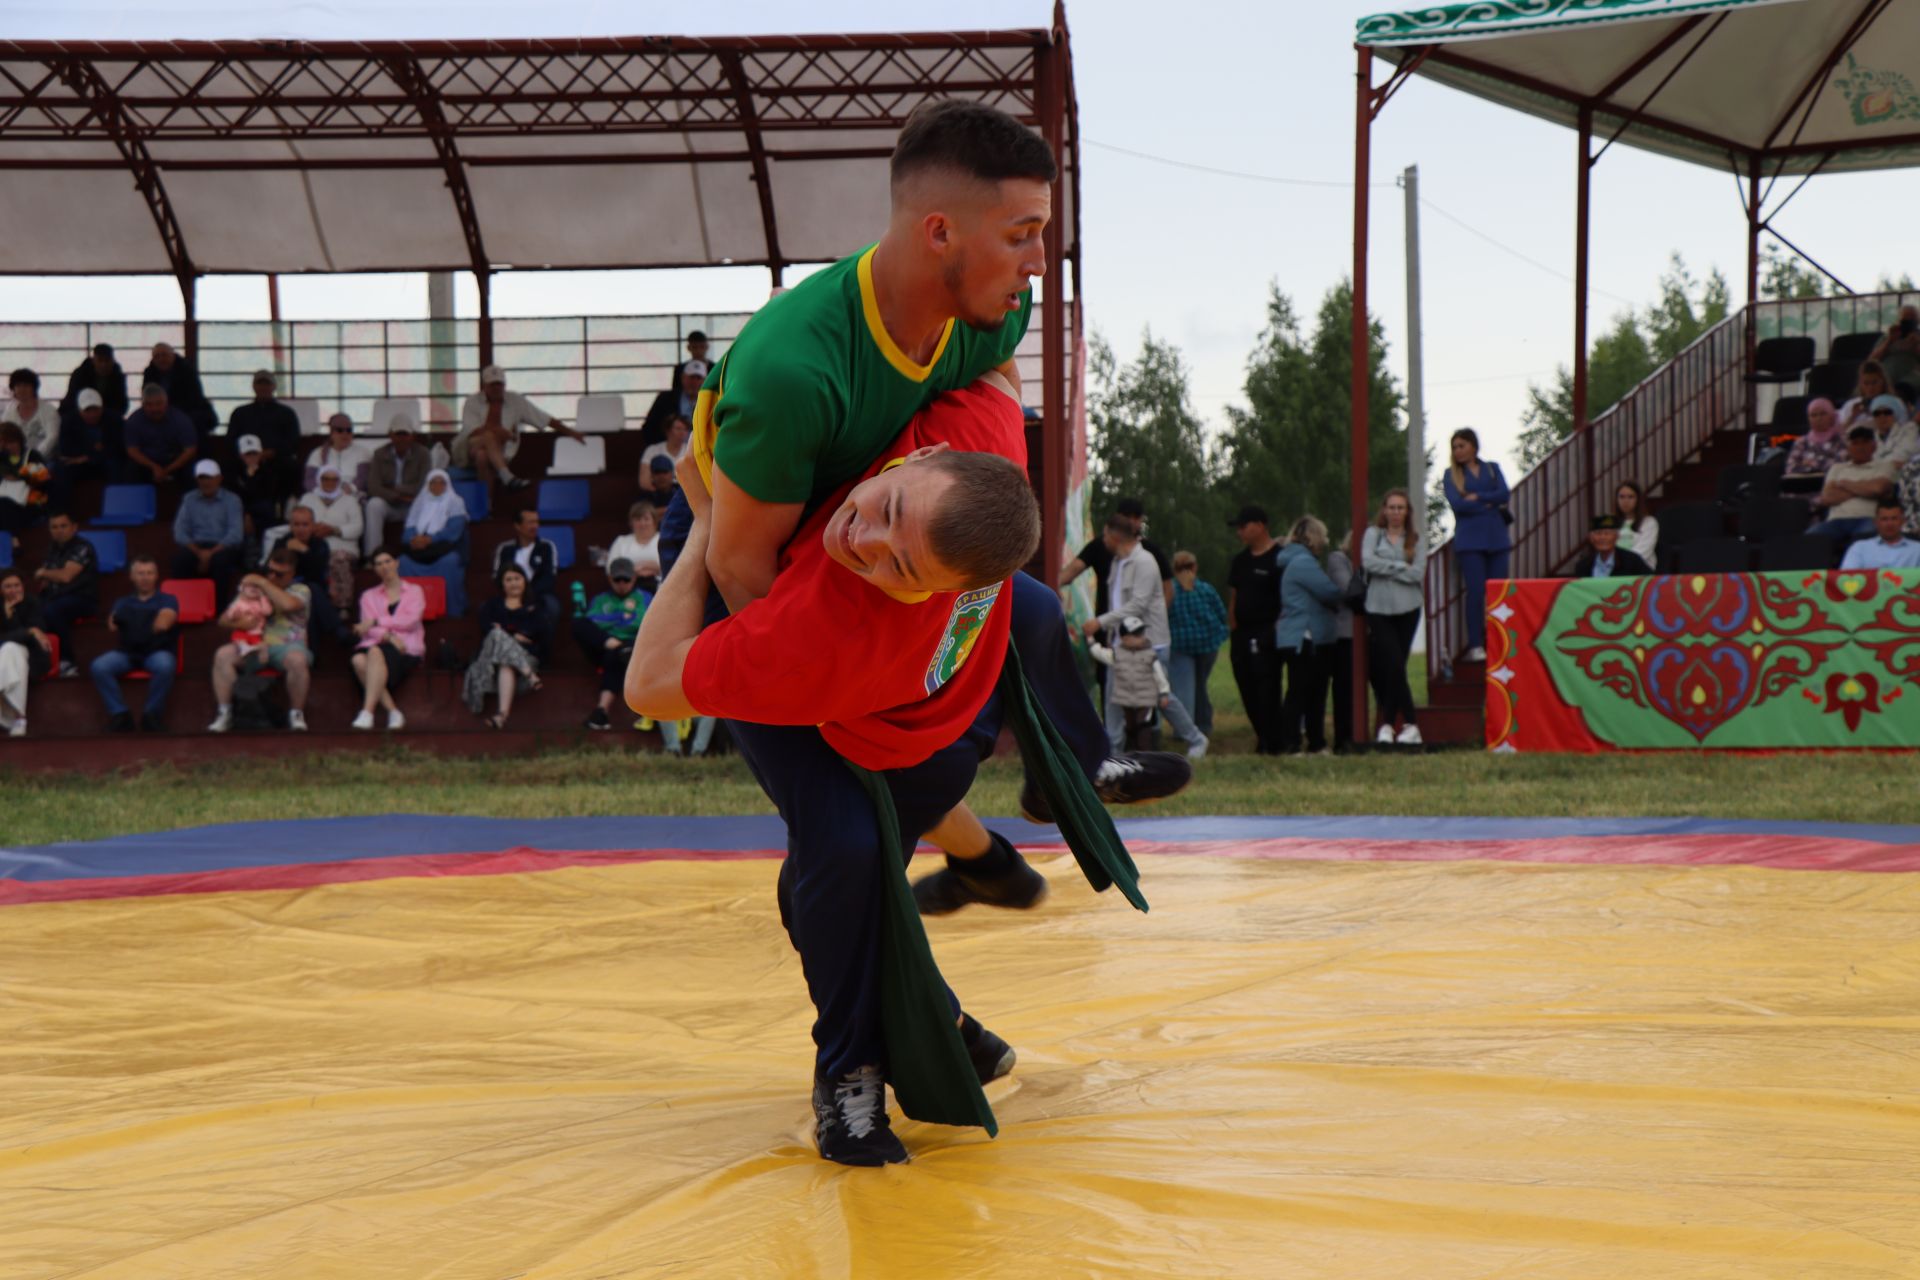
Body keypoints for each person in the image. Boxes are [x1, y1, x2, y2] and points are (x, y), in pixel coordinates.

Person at [626, 369, 1051, 1167]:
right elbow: (991, 339)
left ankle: (912, 1025)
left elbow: (649, 684)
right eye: (889, 513)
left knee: (852, 840)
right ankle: (868, 1056)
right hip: (751, 536)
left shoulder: (834, 633)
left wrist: (703, 521)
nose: (866, 543)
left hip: (840, 659)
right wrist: (705, 527)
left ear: (936, 594)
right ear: (925, 457)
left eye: (899, 566)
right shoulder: (985, 437)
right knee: (847, 840)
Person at [1082, 514, 1201, 756]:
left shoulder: (1145, 562)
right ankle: (1112, 751)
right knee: (1114, 696)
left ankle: (1195, 738)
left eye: (1105, 535)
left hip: (1150, 642)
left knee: (1159, 695)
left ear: (1115, 537)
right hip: (1121, 643)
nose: (1102, 540)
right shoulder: (1117, 563)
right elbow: (1118, 602)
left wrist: (1099, 623)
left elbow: (1138, 605)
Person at [208, 551, 312, 733]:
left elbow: (288, 605)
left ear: (292, 574)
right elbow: (223, 620)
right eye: (269, 571)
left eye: (279, 574)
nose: (272, 576)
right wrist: (241, 622)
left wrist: (262, 582)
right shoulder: (252, 591)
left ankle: (296, 713)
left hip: (287, 647)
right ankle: (226, 712)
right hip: (253, 644)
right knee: (222, 655)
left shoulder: (301, 590)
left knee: (297, 660)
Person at [453, 365, 585, 491]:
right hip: (469, 447)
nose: (496, 388)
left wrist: (571, 432)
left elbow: (543, 418)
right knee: (488, 436)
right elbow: (473, 430)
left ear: (505, 385)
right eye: (492, 385)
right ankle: (508, 477)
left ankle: (486, 507)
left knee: (483, 457)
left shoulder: (515, 400)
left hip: (499, 452)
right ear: (484, 386)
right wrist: (503, 433)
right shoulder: (472, 401)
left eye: (499, 384)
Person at [1088, 615, 1204, 756]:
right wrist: (1090, 641)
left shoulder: (1150, 654)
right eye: (1136, 635)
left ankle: (1146, 754)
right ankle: (1121, 752)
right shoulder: (1117, 654)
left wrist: (1164, 692)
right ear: (1124, 638)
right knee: (1128, 727)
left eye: (1141, 633)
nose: (1141, 637)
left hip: (1145, 699)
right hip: (1125, 698)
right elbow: (1100, 653)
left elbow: (1159, 676)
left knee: (1143, 727)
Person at [1362, 488, 1426, 745]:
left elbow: (1417, 573)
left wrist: (1386, 567)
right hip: (1378, 608)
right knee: (1393, 661)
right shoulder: (1373, 535)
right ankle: (1409, 722)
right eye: (1392, 507)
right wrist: (1400, 566)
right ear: (1384, 510)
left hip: (1409, 607)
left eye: (1401, 508)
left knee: (1397, 666)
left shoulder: (1416, 539)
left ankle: (1389, 725)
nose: (1396, 512)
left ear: (1407, 512)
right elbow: (1368, 562)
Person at [1443, 427, 1511, 662]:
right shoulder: (1450, 475)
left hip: (1497, 539)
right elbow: (1458, 505)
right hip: (1470, 541)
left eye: (1461, 445)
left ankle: (1499, 639)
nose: (1458, 451)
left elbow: (1504, 494)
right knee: (1476, 592)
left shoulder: (1492, 468)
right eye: (1454, 447)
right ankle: (1475, 644)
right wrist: (1488, 503)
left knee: (1499, 592)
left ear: (1473, 446)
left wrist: (1479, 497)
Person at [89, 555, 178, 732]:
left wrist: (132, 620)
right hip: (127, 653)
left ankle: (151, 715)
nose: (145, 578)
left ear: (157, 576)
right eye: (140, 573)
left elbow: (163, 623)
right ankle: (120, 714)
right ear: (132, 577)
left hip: (156, 651)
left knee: (166, 664)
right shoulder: (122, 602)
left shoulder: (168, 599)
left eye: (149, 573)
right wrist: (147, 621)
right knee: (99, 666)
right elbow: (112, 624)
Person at [1275, 516, 1340, 756]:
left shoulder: (1291, 560)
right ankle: (1302, 743)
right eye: (1322, 536)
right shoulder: (1303, 562)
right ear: (1313, 537)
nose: (1324, 542)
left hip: (1296, 636)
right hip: (1305, 636)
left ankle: (1305, 741)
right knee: (1307, 693)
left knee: (1302, 691)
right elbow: (1328, 591)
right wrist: (1348, 591)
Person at [1226, 504, 1285, 754]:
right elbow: (1234, 596)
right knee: (1247, 687)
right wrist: (1234, 627)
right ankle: (1262, 734)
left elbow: (1287, 598)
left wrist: (1275, 631)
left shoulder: (1279, 558)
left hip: (1268, 633)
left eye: (1244, 526)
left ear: (1260, 526)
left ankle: (1273, 739)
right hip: (1242, 634)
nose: (1240, 532)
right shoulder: (1240, 561)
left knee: (1267, 688)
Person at [349, 550, 426, 731]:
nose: (384, 567)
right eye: (378, 564)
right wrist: (389, 636)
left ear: (396, 563)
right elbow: (368, 630)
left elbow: (410, 620)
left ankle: (367, 711)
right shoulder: (369, 596)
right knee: (358, 660)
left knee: (375, 652)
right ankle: (393, 711)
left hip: (407, 647)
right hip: (383, 643)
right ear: (375, 569)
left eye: (387, 561)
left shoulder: (414, 591)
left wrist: (377, 621)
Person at [466, 562, 549, 729]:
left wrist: (504, 630)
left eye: (517, 578)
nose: (513, 583)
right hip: (492, 663)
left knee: (506, 663)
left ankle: (501, 716)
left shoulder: (536, 606)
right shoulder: (491, 606)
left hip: (525, 658)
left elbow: (538, 631)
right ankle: (530, 676)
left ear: (525, 581)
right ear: (502, 585)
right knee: (497, 635)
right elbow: (488, 629)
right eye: (508, 579)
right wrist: (513, 635)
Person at [1058, 497, 1173, 615]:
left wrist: (1155, 617)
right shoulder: (1099, 546)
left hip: (1139, 629)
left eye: (1136, 517)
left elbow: (1167, 588)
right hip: (1107, 627)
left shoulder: (1150, 553)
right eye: (1127, 516)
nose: (1132, 522)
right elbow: (1070, 572)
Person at [574, 557, 646, 730]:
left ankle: (601, 711)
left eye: (626, 579)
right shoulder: (601, 599)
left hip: (633, 646)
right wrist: (621, 620)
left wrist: (612, 620)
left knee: (617, 655)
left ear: (634, 578)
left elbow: (642, 622)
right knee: (580, 624)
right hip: (605, 644)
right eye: (617, 579)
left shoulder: (644, 597)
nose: (622, 584)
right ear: (610, 579)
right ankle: (616, 647)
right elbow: (592, 620)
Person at [264, 504, 350, 650]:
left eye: (305, 524)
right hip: (285, 589)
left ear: (313, 526)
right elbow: (269, 569)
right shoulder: (282, 542)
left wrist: (303, 550)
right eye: (296, 524)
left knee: (311, 592)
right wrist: (287, 550)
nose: (301, 529)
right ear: (290, 526)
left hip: (313, 590)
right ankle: (338, 630)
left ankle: (315, 652)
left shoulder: (320, 544)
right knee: (311, 592)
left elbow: (318, 572)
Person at [1165, 550, 1227, 738]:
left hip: (1180, 647)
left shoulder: (1170, 591)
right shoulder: (1206, 589)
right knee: (1200, 686)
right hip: (1208, 646)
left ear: (1174, 569)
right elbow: (1221, 613)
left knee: (1183, 690)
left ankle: (1183, 730)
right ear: (1195, 567)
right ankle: (1203, 724)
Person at [398, 469, 471, 617]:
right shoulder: (420, 501)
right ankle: (409, 611)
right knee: (402, 562)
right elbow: (409, 528)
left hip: (444, 549)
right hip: (420, 549)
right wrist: (414, 539)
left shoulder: (455, 502)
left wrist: (429, 539)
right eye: (433, 483)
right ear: (428, 485)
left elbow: (454, 531)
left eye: (441, 483)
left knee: (449, 562)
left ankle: (451, 611)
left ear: (447, 485)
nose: (437, 486)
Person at [33, 509, 96, 677]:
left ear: (74, 527)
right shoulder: (53, 548)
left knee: (52, 610)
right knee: (28, 609)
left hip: (82, 598)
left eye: (63, 526)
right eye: (54, 527)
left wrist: (43, 573)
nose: (59, 530)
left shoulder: (83, 546)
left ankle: (67, 661)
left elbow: (66, 576)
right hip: (55, 596)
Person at [171, 458, 245, 600]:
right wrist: (199, 552)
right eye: (202, 478)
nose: (206, 482)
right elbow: (179, 531)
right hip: (196, 546)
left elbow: (235, 534)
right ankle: (183, 606)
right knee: (180, 561)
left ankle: (218, 610)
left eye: (209, 477)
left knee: (221, 562)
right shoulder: (189, 499)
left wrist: (210, 553)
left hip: (223, 547)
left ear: (219, 478)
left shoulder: (232, 500)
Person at [1812, 425, 1897, 546]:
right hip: (1836, 520)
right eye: (1855, 443)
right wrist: (1865, 487)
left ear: (1874, 446)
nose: (1860, 447)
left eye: (1865, 442)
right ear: (1848, 447)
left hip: (1868, 518)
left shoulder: (1885, 466)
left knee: (1863, 540)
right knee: (1811, 537)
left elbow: (1878, 489)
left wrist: (1844, 484)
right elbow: (1827, 498)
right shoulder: (1837, 468)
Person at [226, 369, 303, 495]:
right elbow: (231, 440)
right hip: (245, 460)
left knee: (291, 468)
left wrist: (270, 453)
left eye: (267, 384)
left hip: (276, 460)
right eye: (259, 384)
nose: (263, 387)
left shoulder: (286, 413)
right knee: (228, 468)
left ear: (274, 387)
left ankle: (285, 506)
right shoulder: (240, 412)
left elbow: (293, 441)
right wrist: (248, 456)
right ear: (254, 386)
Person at [363, 414, 429, 557]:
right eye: (398, 434)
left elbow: (423, 486)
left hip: (413, 505)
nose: (402, 438)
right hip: (390, 503)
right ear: (390, 435)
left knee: (427, 504)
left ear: (412, 436)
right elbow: (373, 486)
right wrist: (397, 496)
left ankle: (420, 555)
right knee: (373, 505)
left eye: (405, 434)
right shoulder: (380, 454)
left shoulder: (423, 454)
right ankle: (373, 556)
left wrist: (394, 487)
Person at [301, 465, 365, 612]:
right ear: (319, 480)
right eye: (325, 479)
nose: (330, 482)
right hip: (314, 544)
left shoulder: (349, 500)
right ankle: (312, 607)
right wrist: (313, 529)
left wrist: (334, 530)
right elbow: (299, 521)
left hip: (343, 547)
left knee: (338, 558)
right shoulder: (308, 498)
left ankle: (341, 606)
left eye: (334, 479)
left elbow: (358, 528)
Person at [0, 568, 52, 735]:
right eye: (8, 586)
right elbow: (27, 633)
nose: (14, 590)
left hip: (32, 656)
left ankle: (15, 717)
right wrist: (26, 630)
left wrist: (24, 630)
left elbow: (37, 634)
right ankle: (19, 718)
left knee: (11, 649)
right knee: (10, 651)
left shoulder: (32, 603)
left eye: (17, 585)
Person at [490, 508, 560, 621]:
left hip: (539, 595)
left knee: (552, 606)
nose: (535, 526)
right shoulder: (505, 549)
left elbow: (549, 577)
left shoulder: (547, 547)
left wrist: (528, 594)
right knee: (487, 608)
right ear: (517, 526)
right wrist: (515, 594)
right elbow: (498, 577)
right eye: (530, 522)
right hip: (510, 594)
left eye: (536, 522)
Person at [124, 383, 199, 485]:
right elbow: (132, 450)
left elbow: (190, 450)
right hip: (147, 463)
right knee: (130, 469)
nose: (154, 409)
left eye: (159, 404)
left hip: (175, 462)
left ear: (166, 403)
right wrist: (153, 467)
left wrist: (167, 470)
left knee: (193, 469)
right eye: (149, 405)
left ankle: (190, 500)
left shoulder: (181, 419)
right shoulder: (134, 420)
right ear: (142, 404)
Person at [1323, 535, 1358, 754]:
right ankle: (1344, 739)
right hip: (1345, 634)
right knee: (1344, 688)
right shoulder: (1338, 559)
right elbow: (1348, 590)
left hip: (1371, 633)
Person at [142, 342, 215, 441]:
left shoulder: (186, 370)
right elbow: (147, 395)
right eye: (157, 356)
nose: (161, 359)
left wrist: (170, 413)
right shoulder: (149, 372)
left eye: (164, 355)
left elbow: (194, 398)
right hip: (158, 410)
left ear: (173, 356)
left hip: (185, 410)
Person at [51, 388, 114, 500]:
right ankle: (60, 513)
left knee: (117, 466)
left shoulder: (114, 420)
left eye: (96, 410)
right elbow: (66, 449)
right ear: (79, 410)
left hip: (103, 461)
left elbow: (116, 447)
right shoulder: (68, 421)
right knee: (61, 469)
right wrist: (94, 450)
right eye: (87, 411)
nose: (92, 414)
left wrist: (87, 457)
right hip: (79, 463)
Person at [226, 434, 286, 548]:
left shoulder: (269, 472)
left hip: (263, 516)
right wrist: (245, 515)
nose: (252, 457)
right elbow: (235, 497)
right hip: (240, 514)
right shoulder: (233, 473)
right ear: (241, 455)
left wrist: (251, 479)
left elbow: (268, 495)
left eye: (255, 453)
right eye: (248, 454)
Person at [1785, 398, 1847, 508]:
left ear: (1832, 416)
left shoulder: (1841, 440)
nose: (1818, 418)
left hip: (1828, 489)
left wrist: (1808, 464)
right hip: (1800, 489)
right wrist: (1820, 465)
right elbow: (1791, 468)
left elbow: (1837, 468)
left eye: (1823, 414)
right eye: (1813, 415)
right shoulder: (1801, 442)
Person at [0, 422, 50, 541]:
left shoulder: (32, 455)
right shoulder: (2, 458)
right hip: (5, 501)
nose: (9, 446)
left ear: (19, 440)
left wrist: (18, 476)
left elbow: (42, 481)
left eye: (12, 442)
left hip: (30, 504)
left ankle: (13, 540)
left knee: (4, 505)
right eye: (5, 443)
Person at [1840, 498, 1920, 570]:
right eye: (1884, 519)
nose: (1889, 524)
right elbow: (1847, 577)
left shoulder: (1917, 549)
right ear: (1875, 522)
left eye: (1894, 519)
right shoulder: (1859, 548)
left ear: (1903, 521)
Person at [63, 342, 128, 429]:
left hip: (107, 418)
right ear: (93, 360)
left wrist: (101, 414)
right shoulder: (80, 374)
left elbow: (122, 404)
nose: (103, 364)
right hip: (80, 415)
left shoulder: (118, 376)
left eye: (107, 360)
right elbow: (72, 399)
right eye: (100, 360)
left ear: (112, 361)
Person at [643, 361, 707, 448]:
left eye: (698, 378)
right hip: (669, 451)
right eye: (691, 377)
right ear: (683, 378)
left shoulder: (712, 402)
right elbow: (649, 428)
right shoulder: (665, 399)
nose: (694, 382)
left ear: (705, 381)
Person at [306, 413, 374, 496]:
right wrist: (321, 492)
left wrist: (350, 488)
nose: (345, 434)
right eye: (340, 430)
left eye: (349, 430)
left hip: (352, 494)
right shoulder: (318, 453)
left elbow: (363, 477)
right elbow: (309, 479)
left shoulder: (362, 452)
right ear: (331, 433)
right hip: (323, 494)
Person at [1570, 514, 1654, 577]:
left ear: (1617, 536)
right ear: (1591, 538)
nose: (1603, 537)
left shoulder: (1632, 561)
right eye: (1598, 533)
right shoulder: (1583, 565)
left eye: (1607, 533)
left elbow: (1650, 582)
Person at [607, 501, 663, 594]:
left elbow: (674, 566)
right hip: (628, 591)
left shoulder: (663, 540)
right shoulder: (621, 541)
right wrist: (649, 567)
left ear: (654, 521)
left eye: (646, 519)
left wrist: (637, 567)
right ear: (631, 522)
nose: (642, 523)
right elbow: (611, 569)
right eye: (638, 519)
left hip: (661, 590)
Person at [4, 369, 61, 459]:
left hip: (44, 460)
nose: (22, 389)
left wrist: (33, 457)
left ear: (34, 388)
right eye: (18, 386)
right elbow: (4, 436)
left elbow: (53, 437)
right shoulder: (9, 412)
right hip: (14, 460)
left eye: (26, 386)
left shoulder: (49, 410)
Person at [1869, 305, 1920, 398]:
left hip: (1911, 376)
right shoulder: (1888, 337)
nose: (1908, 322)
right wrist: (1889, 341)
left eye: (1912, 319)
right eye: (1905, 320)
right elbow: (1872, 359)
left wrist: (1916, 345)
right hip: (1887, 375)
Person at [1612, 479, 1660, 569]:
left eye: (1630, 497)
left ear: (1638, 499)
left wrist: (1621, 563)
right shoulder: (1612, 523)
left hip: (1640, 568)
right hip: (1615, 568)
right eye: (1621, 497)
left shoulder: (1649, 522)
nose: (1625, 501)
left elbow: (1643, 551)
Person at [1864, 394, 1919, 467]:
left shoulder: (1909, 429)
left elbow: (1904, 455)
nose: (1882, 416)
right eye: (1877, 413)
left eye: (1887, 412)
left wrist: (1877, 465)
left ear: (1895, 414)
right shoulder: (1870, 437)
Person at [1838, 361, 1895, 430]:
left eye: (1874, 382)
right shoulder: (1851, 405)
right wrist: (1853, 416)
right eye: (1866, 383)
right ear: (1860, 384)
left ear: (1883, 382)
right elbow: (1840, 434)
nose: (1870, 388)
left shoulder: (1892, 404)